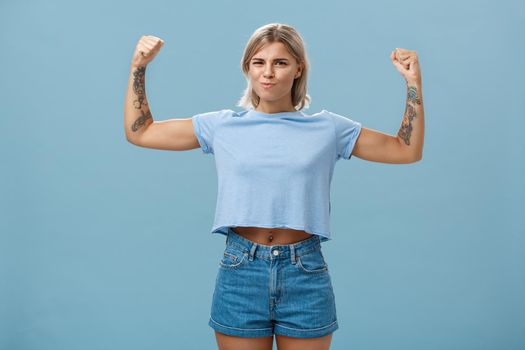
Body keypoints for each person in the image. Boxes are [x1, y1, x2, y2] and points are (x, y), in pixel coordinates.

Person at [124, 23, 424, 350]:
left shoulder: (328, 128)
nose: (268, 72)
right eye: (259, 62)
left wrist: (413, 84)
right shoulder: (221, 126)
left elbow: (405, 150)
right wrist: (138, 67)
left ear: (298, 68)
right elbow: (141, 132)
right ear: (247, 68)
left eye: (280, 63)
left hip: (304, 271)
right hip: (241, 270)